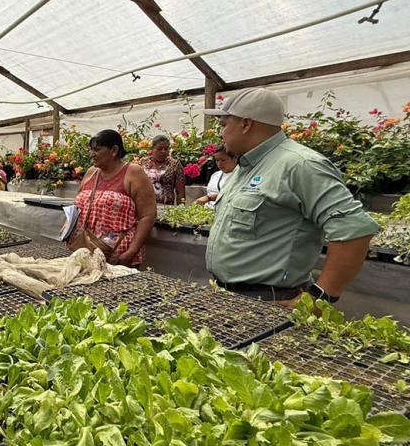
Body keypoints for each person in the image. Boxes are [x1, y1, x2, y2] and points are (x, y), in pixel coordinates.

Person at [204, 87, 380, 306]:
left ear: (246, 124)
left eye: (224, 125)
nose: (220, 133)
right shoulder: (247, 166)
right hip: (230, 297)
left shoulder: (300, 165)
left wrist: (319, 298)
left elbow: (354, 230)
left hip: (271, 302)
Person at [67, 129, 157, 267]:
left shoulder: (133, 173)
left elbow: (147, 216)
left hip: (117, 255)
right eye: (91, 150)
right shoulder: (92, 173)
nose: (92, 154)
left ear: (114, 150)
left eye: (97, 150)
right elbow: (77, 207)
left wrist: (130, 253)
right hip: (85, 253)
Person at [137, 135, 186, 205]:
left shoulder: (175, 164)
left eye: (166, 149)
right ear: (152, 149)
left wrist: (181, 209)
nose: (163, 151)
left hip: (166, 207)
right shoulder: (142, 162)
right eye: (159, 149)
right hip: (144, 206)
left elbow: (180, 192)